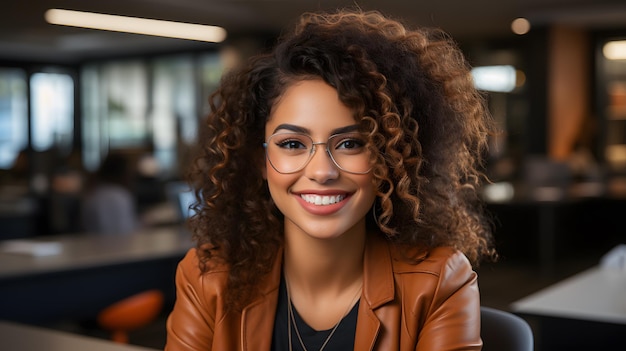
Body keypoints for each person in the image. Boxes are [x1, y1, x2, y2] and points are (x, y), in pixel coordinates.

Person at [166, 9, 496, 351]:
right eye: (292, 144)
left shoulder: (439, 282)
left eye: (351, 144)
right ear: (260, 159)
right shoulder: (208, 277)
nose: (322, 172)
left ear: (390, 157)